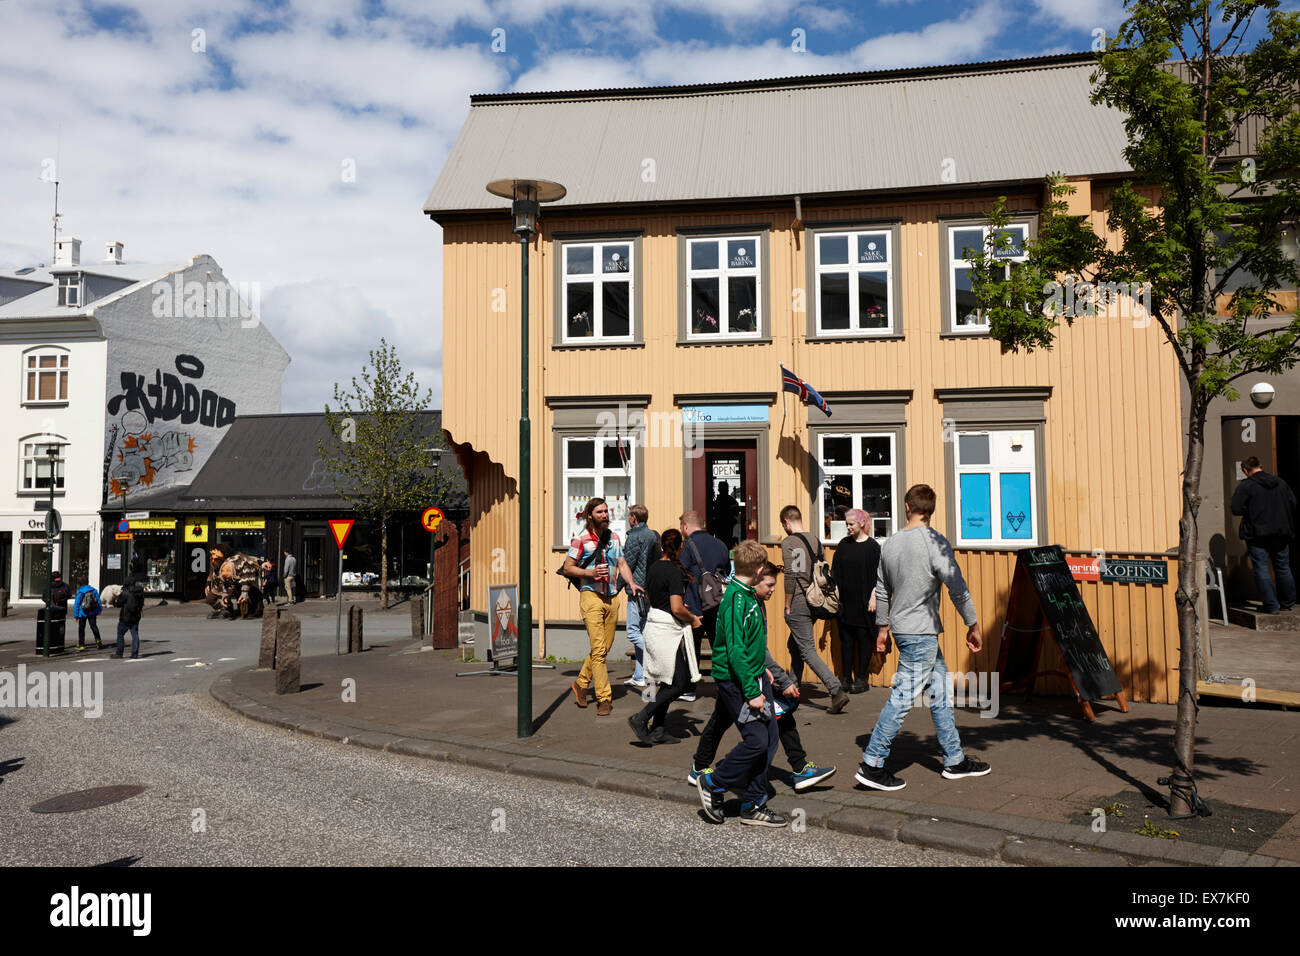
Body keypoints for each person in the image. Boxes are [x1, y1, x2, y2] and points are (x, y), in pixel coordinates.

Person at [855, 483, 991, 791]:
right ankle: (872, 763)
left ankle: (954, 760)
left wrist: (883, 629)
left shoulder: (889, 544)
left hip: (906, 630)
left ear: (907, 507)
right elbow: (957, 587)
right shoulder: (935, 542)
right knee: (903, 697)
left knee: (940, 692)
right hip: (921, 633)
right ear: (931, 510)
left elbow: (882, 590)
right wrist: (972, 624)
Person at [689, 561, 836, 792]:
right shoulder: (742, 602)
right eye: (769, 585)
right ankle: (788, 773)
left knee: (729, 719)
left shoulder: (754, 601)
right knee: (763, 727)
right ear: (756, 580)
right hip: (739, 675)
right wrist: (783, 680)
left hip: (748, 673)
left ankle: (700, 767)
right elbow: (746, 649)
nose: (773, 590)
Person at [695, 540, 787, 826]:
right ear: (759, 570)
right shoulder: (736, 600)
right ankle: (713, 782)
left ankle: (753, 804)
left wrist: (762, 669)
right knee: (757, 740)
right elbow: (735, 650)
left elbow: (749, 643)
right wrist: (751, 690)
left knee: (770, 738)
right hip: (737, 682)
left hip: (754, 675)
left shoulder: (748, 595)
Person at [565, 498, 644, 716]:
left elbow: (622, 564)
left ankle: (581, 683)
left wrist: (631, 583)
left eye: (606, 511)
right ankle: (604, 698)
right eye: (599, 512)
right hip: (590, 595)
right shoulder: (580, 539)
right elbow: (568, 567)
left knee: (604, 647)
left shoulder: (614, 538)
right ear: (590, 515)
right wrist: (588, 573)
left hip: (612, 597)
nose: (605, 515)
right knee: (599, 650)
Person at [628, 529, 702, 745]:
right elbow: (676, 608)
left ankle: (658, 729)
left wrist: (675, 606)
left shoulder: (654, 568)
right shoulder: (674, 571)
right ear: (680, 547)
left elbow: (653, 598)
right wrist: (692, 619)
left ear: (662, 546)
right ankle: (641, 717)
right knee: (680, 682)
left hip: (654, 627)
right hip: (665, 632)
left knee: (667, 680)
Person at [780, 505, 850, 714]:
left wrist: (787, 603)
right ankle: (792, 687)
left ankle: (836, 690)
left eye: (783, 524)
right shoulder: (815, 540)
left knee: (806, 649)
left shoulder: (789, 542)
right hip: (815, 600)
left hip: (799, 599)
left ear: (786, 522)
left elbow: (792, 575)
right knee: (795, 644)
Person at [1231, 456, 1297, 614]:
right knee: (1283, 567)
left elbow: (1236, 509)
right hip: (1280, 532)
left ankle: (1271, 606)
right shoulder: (1280, 483)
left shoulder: (1246, 486)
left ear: (1246, 470)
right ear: (1261, 466)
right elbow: (1293, 503)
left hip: (1257, 534)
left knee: (1261, 567)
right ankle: (1288, 603)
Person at [678, 510, 729, 702]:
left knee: (692, 648)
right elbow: (726, 571)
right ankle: (725, 687)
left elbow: (681, 574)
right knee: (720, 647)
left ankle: (689, 689)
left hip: (694, 606)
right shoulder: (720, 544)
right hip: (717, 603)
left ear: (685, 526)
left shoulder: (687, 546)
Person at [833, 508, 881, 694]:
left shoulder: (873, 547)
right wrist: (836, 596)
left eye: (851, 524)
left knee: (864, 639)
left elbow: (879, 576)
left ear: (861, 523)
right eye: (846, 524)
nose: (848, 527)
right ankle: (846, 677)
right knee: (846, 640)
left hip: (865, 602)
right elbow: (835, 572)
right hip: (846, 602)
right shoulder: (843, 545)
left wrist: (874, 596)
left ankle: (861, 679)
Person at [620, 504, 660, 689]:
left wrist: (616, 586)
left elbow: (627, 564)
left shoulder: (634, 537)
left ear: (634, 518)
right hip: (648, 589)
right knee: (642, 630)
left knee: (632, 631)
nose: (628, 519)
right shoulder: (652, 535)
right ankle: (640, 675)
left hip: (636, 589)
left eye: (629, 516)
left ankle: (657, 659)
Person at [113, 573, 146, 660]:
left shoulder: (125, 592)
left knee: (120, 633)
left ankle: (119, 653)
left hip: (125, 616)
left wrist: (115, 602)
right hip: (136, 616)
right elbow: (142, 603)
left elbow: (118, 604)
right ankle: (134, 653)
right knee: (135, 634)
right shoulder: (139, 591)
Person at [73, 577, 103, 651]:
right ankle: (98, 641)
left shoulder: (80, 592)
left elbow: (77, 604)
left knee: (81, 629)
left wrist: (76, 615)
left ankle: (81, 645)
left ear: (80, 584)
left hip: (82, 613)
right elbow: (98, 601)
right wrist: (99, 610)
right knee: (94, 627)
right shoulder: (93, 590)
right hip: (92, 612)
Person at [709, 481, 741, 547]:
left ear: (719, 489)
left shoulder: (718, 501)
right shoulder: (731, 500)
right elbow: (737, 512)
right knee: (728, 544)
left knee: (721, 543)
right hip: (727, 526)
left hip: (721, 526)